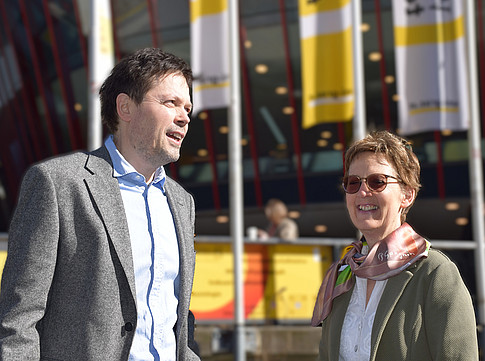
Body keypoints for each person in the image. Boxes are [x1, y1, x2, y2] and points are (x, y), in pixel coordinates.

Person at [0, 48, 200, 361]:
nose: (184, 116)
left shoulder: (181, 202)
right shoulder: (58, 183)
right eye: (169, 102)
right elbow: (18, 318)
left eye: (187, 107)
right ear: (125, 107)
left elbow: (177, 314)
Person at [311, 131, 478, 360]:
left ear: (407, 195)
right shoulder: (341, 276)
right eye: (353, 182)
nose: (362, 192)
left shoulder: (435, 274)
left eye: (377, 182)